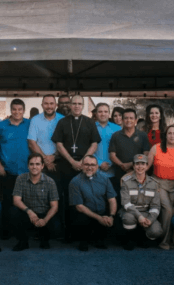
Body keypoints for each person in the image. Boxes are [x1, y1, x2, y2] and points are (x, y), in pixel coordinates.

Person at [51, 95, 101, 241]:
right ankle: (68, 233)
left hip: (86, 167)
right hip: (67, 166)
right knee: (67, 199)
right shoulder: (62, 122)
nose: (77, 106)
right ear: (70, 105)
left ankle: (86, 233)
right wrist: (72, 161)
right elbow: (58, 144)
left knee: (87, 198)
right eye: (74, 103)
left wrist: (84, 160)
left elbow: (94, 143)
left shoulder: (90, 122)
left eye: (80, 104)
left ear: (83, 105)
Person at [0, 98, 31, 239]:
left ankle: (24, 232)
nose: (17, 112)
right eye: (14, 109)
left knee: (26, 202)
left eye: (20, 109)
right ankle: (6, 232)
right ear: (11, 110)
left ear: (24, 111)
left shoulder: (29, 124)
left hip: (27, 171)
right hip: (7, 171)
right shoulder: (1, 126)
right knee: (8, 202)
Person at [147, 124, 174, 250]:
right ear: (166, 135)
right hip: (158, 183)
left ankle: (172, 239)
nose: (172, 136)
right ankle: (164, 242)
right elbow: (147, 166)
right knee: (168, 210)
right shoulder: (156, 148)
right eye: (170, 133)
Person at [11, 153, 60, 251]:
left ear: (42, 166)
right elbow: (16, 200)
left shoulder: (50, 181)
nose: (34, 167)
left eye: (37, 164)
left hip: (44, 214)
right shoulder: (20, 179)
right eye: (31, 164)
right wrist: (30, 212)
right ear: (28, 166)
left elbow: (54, 206)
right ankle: (23, 242)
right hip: (28, 214)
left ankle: (44, 239)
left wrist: (45, 220)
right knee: (13, 212)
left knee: (56, 225)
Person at [69, 155, 117, 251]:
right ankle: (84, 240)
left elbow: (112, 199)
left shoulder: (105, 179)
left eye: (93, 165)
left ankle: (99, 238)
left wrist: (111, 216)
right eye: (86, 164)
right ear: (82, 165)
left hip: (102, 212)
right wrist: (99, 218)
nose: (89, 168)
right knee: (81, 220)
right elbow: (79, 206)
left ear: (97, 167)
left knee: (105, 239)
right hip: (85, 214)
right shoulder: (75, 182)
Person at [120, 154, 163, 250]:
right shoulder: (126, 182)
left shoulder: (154, 183)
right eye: (137, 164)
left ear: (147, 166)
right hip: (131, 211)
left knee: (157, 231)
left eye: (143, 164)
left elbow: (155, 206)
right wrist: (139, 216)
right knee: (128, 218)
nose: (140, 167)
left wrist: (150, 219)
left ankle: (143, 238)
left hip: (146, 212)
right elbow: (125, 203)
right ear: (134, 166)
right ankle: (129, 239)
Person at [109, 109, 151, 195]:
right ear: (122, 120)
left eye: (131, 118)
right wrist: (122, 165)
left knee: (138, 197)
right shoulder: (116, 135)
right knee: (120, 198)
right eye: (126, 118)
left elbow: (146, 154)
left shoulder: (143, 135)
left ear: (136, 120)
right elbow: (112, 155)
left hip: (138, 173)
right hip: (119, 173)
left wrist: (131, 164)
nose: (128, 120)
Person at [28, 95, 64, 176]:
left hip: (60, 161)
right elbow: (31, 142)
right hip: (40, 163)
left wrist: (54, 156)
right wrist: (45, 159)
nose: (49, 106)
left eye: (51, 103)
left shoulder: (63, 120)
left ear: (56, 105)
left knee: (58, 188)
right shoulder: (35, 120)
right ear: (42, 105)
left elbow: (66, 142)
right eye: (46, 104)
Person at [93, 103, 121, 179]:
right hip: (94, 171)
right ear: (96, 113)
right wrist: (99, 163)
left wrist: (110, 163)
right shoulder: (90, 128)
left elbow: (120, 149)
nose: (103, 114)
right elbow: (87, 148)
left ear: (109, 113)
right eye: (100, 112)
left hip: (114, 170)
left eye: (105, 112)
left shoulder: (117, 129)